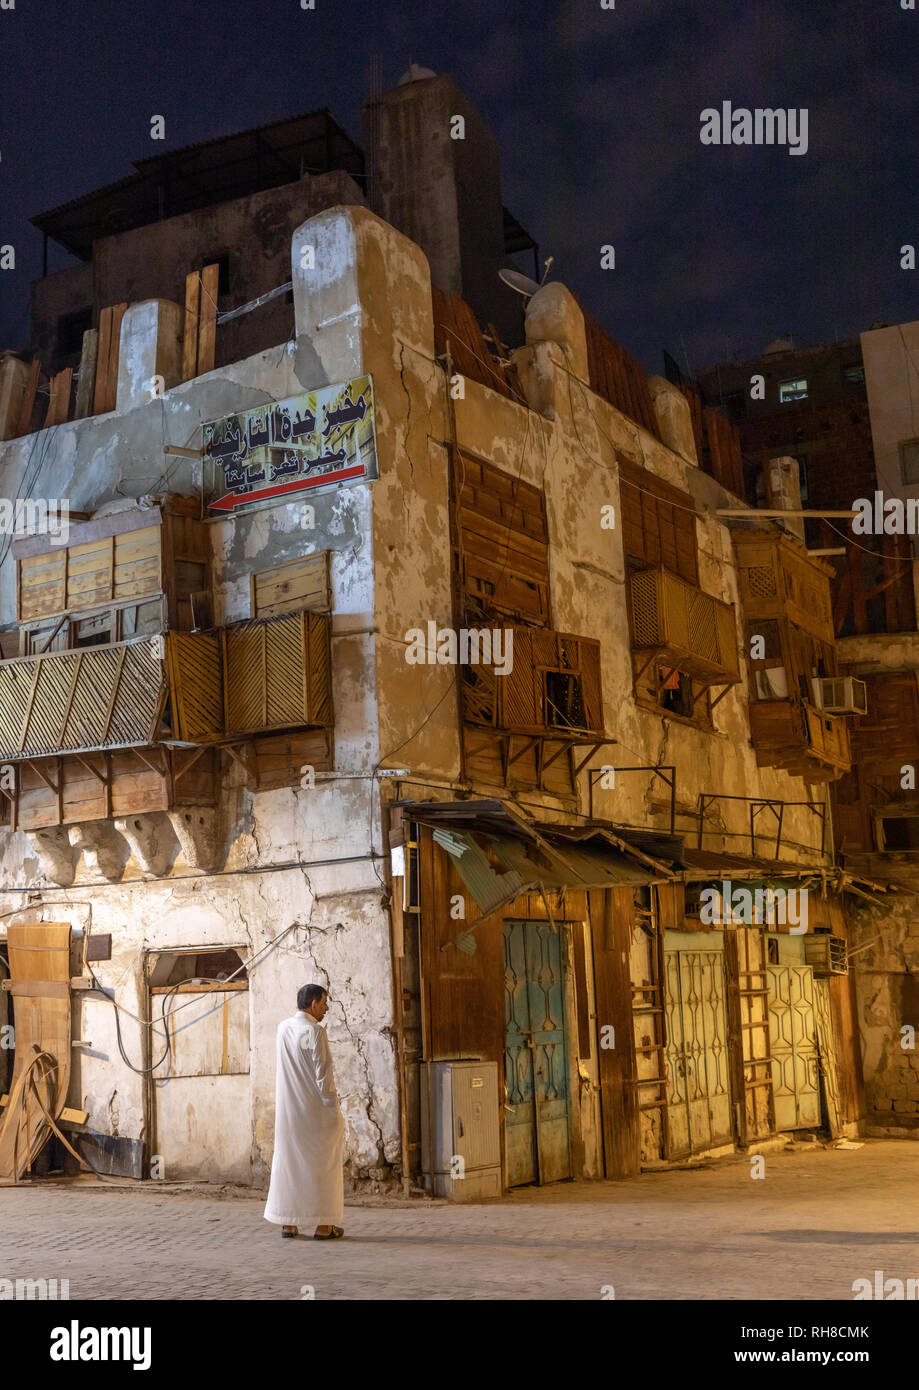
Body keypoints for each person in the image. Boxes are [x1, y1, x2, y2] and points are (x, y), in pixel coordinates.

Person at [264, 983, 346, 1239]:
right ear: (313, 1004)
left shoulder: (282, 1028)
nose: (326, 1008)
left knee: (290, 1166)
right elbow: (324, 1077)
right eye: (324, 1003)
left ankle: (289, 1223)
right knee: (325, 1167)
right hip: (316, 1113)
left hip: (289, 1115)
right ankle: (324, 1225)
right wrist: (334, 1108)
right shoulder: (316, 1032)